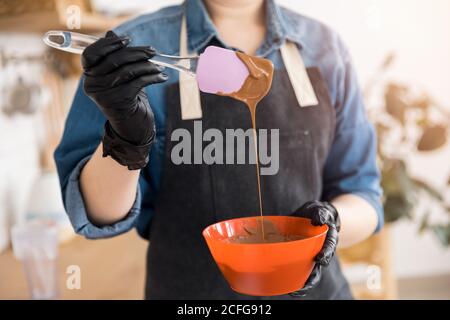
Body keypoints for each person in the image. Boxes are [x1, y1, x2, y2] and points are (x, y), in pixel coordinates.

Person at [54, 0, 383, 299]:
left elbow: (363, 194)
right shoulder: (129, 54)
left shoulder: (326, 47)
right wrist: (126, 140)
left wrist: (333, 223)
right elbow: (97, 213)